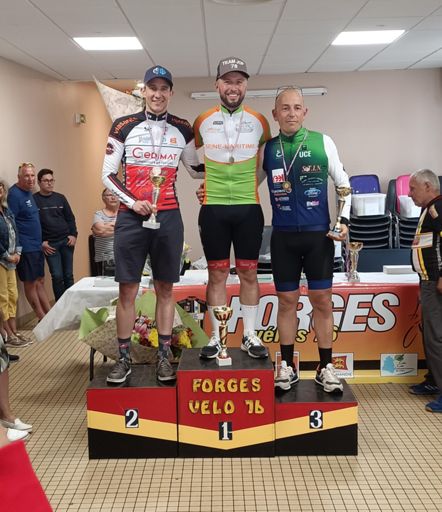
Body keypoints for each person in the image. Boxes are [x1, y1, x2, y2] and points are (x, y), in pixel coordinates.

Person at [102, 65, 203, 384]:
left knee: (165, 289)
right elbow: (106, 173)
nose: (158, 94)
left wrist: (226, 162)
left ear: (170, 92)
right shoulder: (123, 125)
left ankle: (163, 358)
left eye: (164, 89)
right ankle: (123, 360)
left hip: (168, 216)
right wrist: (133, 202)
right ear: (143, 91)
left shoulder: (183, 128)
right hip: (132, 217)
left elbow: (195, 170)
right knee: (127, 290)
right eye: (152, 88)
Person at [262, 86, 351, 393]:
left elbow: (343, 184)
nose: (291, 113)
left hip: (318, 236)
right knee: (287, 301)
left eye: (297, 107)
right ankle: (286, 366)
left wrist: (344, 221)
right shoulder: (267, 148)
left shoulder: (322, 141)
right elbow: (246, 184)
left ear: (305, 112)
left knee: (322, 300)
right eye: (285, 108)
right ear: (275, 114)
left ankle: (326, 367)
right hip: (283, 237)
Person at [194, 56, 271, 360]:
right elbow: (190, 160)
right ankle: (217, 337)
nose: (233, 87)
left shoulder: (259, 121)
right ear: (217, 85)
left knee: (249, 273)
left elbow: (264, 164)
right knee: (217, 274)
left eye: (239, 81)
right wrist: (204, 182)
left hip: (248, 207)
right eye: (228, 81)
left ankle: (250, 335)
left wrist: (250, 185)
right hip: (213, 208)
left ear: (246, 85)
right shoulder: (203, 120)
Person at [408, 169, 442, 413]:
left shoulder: (438, 208)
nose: (410, 194)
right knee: (430, 336)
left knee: (436, 338)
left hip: (435, 282)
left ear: (428, 186)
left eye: (413, 188)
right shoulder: (428, 209)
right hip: (427, 281)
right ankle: (433, 380)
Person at [7, 163, 51, 321]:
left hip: (36, 245)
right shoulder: (14, 195)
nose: (31, 179)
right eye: (26, 175)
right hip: (26, 247)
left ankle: (49, 314)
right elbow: (11, 223)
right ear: (19, 177)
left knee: (40, 280)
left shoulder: (28, 192)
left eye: (32, 175)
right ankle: (41, 316)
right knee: (31, 282)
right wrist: (18, 248)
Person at [34, 169, 78, 301]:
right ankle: (60, 305)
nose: (50, 183)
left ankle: (71, 303)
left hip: (66, 241)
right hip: (50, 245)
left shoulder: (60, 198)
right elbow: (34, 224)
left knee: (68, 275)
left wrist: (73, 235)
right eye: (46, 181)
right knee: (57, 276)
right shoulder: (34, 200)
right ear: (39, 182)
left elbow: (70, 218)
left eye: (51, 180)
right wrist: (41, 242)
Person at [0, 180, 32, 348]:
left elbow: (15, 232)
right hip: (2, 259)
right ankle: (6, 334)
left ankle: (14, 330)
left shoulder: (6, 210)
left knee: (13, 295)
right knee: (3, 297)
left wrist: (18, 252)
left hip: (12, 259)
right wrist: (7, 255)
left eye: (1, 190)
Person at [91, 189, 119, 276]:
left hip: (123, 256)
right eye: (109, 195)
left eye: (115, 194)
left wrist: (108, 225)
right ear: (103, 198)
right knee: (106, 284)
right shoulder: (98, 214)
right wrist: (121, 227)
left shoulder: (124, 214)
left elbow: (130, 230)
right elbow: (101, 231)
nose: (113, 197)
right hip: (105, 259)